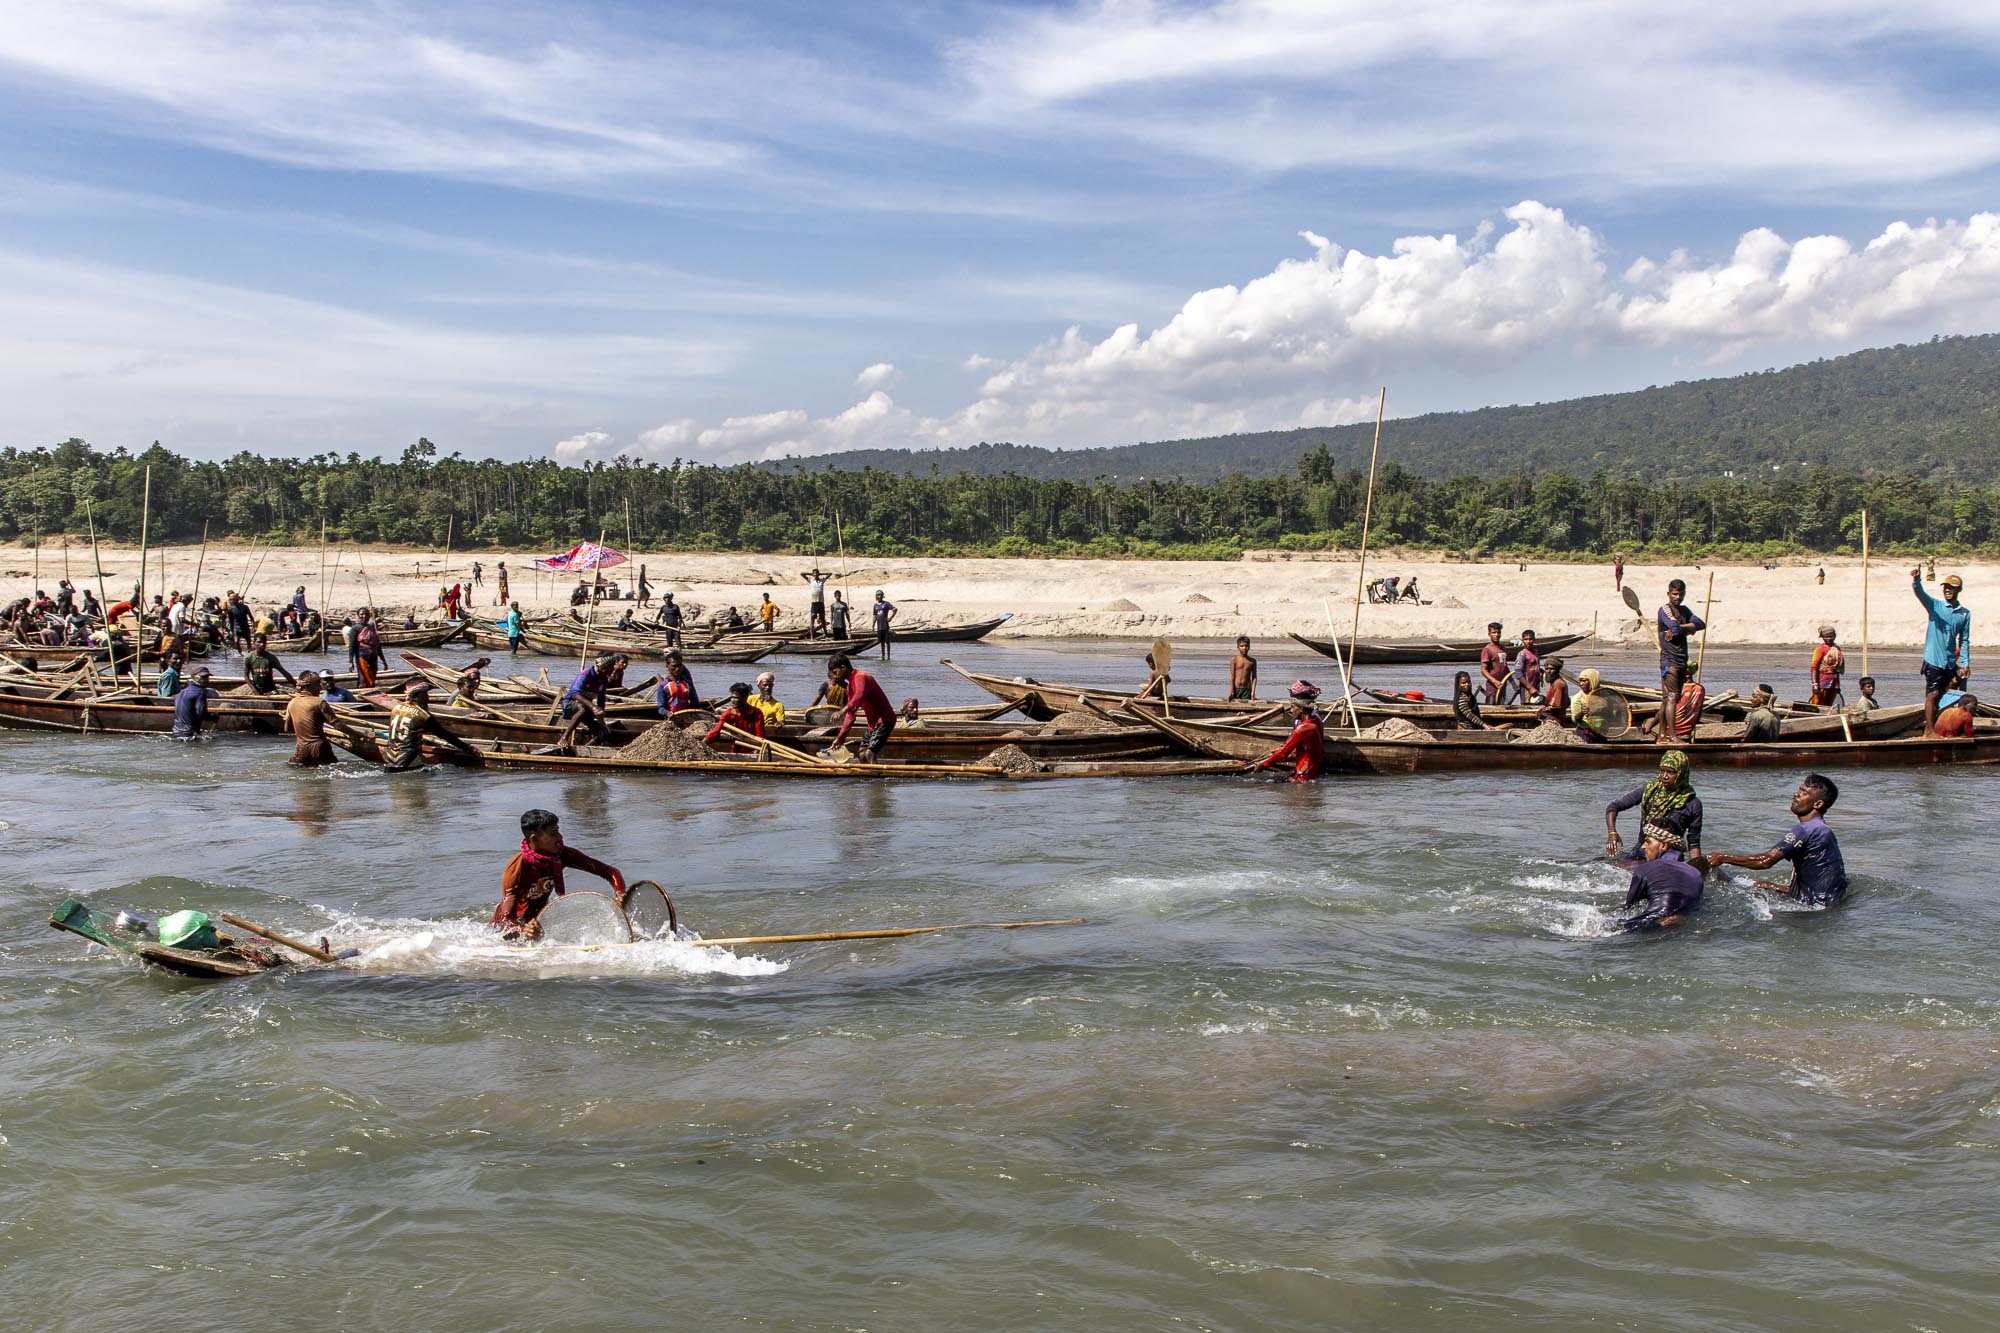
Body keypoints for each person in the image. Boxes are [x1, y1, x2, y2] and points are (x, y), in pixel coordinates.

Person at [1702, 774, 1849, 907]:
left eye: (1805, 793)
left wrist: (1723, 858)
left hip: (1813, 906)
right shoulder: (1823, 829)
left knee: (1743, 893)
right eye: (1800, 789)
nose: (1796, 794)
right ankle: (1733, 881)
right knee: (1760, 885)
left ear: (1818, 804)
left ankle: (1730, 882)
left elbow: (1765, 861)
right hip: (1831, 900)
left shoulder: (1805, 830)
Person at [491, 808, 626, 940]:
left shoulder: (562, 855)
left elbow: (610, 872)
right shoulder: (516, 869)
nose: (560, 837)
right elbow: (506, 920)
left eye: (558, 831)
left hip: (537, 922)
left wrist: (621, 895)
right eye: (553, 834)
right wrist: (523, 929)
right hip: (501, 932)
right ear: (535, 839)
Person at [1604, 750, 1704, 861]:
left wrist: (1696, 870)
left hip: (1670, 857)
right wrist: (1612, 833)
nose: (1665, 776)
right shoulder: (1649, 791)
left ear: (1681, 773)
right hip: (1642, 852)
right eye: (1662, 771)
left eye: (1671, 772)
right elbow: (1613, 807)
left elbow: (1694, 844)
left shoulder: (1692, 804)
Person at [1912, 568, 1970, 738]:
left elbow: (1964, 640)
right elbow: (1920, 594)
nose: (1947, 590)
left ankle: (1943, 725)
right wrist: (1917, 580)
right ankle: (1928, 731)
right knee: (1933, 693)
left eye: (1951, 588)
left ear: (1958, 590)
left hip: (1949, 661)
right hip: (1933, 659)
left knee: (1953, 687)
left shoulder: (1964, 614)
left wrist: (1965, 663)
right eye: (1945, 587)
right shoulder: (1935, 606)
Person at [1652, 578, 1706, 744]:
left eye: (1680, 594)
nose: (1677, 597)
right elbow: (1673, 628)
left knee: (1668, 698)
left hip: (1682, 659)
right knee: (1672, 697)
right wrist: (1688, 629)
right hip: (1670, 660)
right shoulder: (1665, 609)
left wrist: (1683, 628)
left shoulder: (1684, 610)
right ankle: (1672, 735)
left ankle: (1661, 736)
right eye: (1674, 594)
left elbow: (1700, 624)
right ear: (1668, 594)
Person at [1619, 825, 1703, 931]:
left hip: (1654, 924)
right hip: (1685, 924)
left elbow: (1629, 908)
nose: (1643, 847)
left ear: (1663, 845)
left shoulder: (1645, 868)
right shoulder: (1695, 873)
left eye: (1648, 842)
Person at [384, 681, 478, 771]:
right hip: (408, 758)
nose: (428, 697)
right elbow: (443, 734)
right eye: (425, 695)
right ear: (416, 697)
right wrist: (467, 747)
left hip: (389, 757)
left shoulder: (396, 708)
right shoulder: (422, 715)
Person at [1243, 682, 1325, 781]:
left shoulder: (1303, 729)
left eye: (1293, 707)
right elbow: (1304, 747)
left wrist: (1263, 765)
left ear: (1301, 709)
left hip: (1303, 775)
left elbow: (1283, 754)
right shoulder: (1315, 721)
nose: (1291, 710)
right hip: (1309, 772)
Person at [825, 653, 895, 762]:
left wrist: (843, 709)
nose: (835, 676)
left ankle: (876, 777)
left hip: (884, 720)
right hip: (873, 724)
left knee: (870, 753)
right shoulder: (849, 689)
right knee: (862, 753)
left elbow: (860, 694)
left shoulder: (861, 676)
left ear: (843, 667)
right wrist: (840, 738)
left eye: (835, 672)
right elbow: (850, 716)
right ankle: (867, 777)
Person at [556, 654, 625, 749]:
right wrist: (593, 707)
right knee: (583, 709)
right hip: (570, 705)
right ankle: (564, 738)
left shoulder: (604, 679)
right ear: (604, 668)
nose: (613, 670)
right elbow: (575, 693)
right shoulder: (586, 674)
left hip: (587, 709)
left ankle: (583, 749)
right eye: (611, 667)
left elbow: (601, 699)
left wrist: (601, 720)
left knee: (604, 732)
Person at [285, 671, 338, 767]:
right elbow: (337, 724)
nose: (320, 688)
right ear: (307, 686)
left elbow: (287, 729)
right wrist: (358, 735)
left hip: (301, 750)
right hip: (320, 748)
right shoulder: (319, 702)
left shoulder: (292, 703)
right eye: (317, 684)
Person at [705, 682, 767, 753]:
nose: (732, 701)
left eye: (736, 698)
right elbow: (716, 731)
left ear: (745, 697)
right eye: (731, 697)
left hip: (752, 747)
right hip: (736, 748)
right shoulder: (728, 713)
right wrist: (703, 742)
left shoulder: (756, 713)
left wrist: (757, 750)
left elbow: (760, 735)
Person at [171, 667, 213, 738]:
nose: (206, 680)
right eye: (203, 677)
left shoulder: (182, 692)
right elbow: (201, 714)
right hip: (189, 732)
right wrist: (214, 716)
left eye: (207, 677)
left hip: (176, 731)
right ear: (194, 677)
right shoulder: (200, 692)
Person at [1568, 667, 1608, 741]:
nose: (1581, 684)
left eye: (1584, 681)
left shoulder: (1604, 696)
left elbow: (1612, 715)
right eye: (1580, 681)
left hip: (1602, 732)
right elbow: (1575, 720)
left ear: (1593, 681)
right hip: (1586, 733)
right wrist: (1582, 713)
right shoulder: (1578, 698)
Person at [1809, 626, 1845, 706]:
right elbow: (1814, 668)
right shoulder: (1820, 649)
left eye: (1831, 636)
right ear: (1823, 638)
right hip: (1822, 681)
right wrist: (1815, 685)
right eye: (1826, 637)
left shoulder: (1837, 648)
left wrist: (1837, 686)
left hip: (1834, 682)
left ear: (1835, 636)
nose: (1829, 638)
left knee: (1829, 704)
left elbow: (1837, 668)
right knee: (1817, 704)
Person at [1507, 629, 1542, 705]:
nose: (1528, 641)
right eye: (1526, 639)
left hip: (1536, 685)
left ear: (1534, 640)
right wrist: (1530, 687)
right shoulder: (1522, 654)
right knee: (1526, 706)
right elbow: (1518, 673)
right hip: (1526, 687)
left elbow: (1537, 668)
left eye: (1530, 639)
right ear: (1522, 641)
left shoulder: (1536, 652)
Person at [1478, 622, 1509, 705]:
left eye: (1498, 632)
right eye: (1493, 632)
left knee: (1502, 708)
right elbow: (1483, 670)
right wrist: (1494, 681)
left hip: (1503, 685)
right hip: (1492, 686)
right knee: (1491, 708)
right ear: (1489, 634)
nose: (1496, 635)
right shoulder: (1487, 649)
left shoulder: (1503, 648)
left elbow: (1505, 666)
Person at [351, 609, 383, 686]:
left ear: (369, 616)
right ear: (358, 616)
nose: (364, 616)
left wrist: (383, 660)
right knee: (364, 678)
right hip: (362, 656)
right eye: (362, 614)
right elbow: (352, 646)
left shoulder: (372, 628)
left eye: (366, 614)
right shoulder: (355, 628)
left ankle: (372, 692)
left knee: (372, 677)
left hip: (373, 657)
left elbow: (378, 645)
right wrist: (350, 661)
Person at [1536, 656, 1569, 723]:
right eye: (1546, 669)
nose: (1548, 671)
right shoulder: (1554, 682)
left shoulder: (1558, 684)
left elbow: (1555, 706)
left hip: (1555, 721)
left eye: (1551, 669)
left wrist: (1541, 712)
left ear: (1557, 670)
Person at [802, 567, 829, 637]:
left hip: (821, 602)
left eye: (817, 574)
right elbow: (802, 574)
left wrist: (820, 574)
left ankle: (826, 635)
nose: (815, 575)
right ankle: (811, 636)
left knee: (822, 619)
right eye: (814, 574)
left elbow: (830, 574)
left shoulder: (822, 580)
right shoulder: (811, 580)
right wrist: (811, 574)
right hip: (814, 602)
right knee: (812, 619)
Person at [871, 590, 897, 661]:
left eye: (880, 595)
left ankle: (888, 656)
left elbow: (895, 610)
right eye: (878, 595)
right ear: (876, 597)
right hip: (879, 627)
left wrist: (890, 618)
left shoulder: (886, 604)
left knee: (887, 642)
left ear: (882, 596)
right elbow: (874, 616)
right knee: (881, 642)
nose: (879, 596)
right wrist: (873, 626)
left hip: (885, 626)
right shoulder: (875, 606)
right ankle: (883, 656)